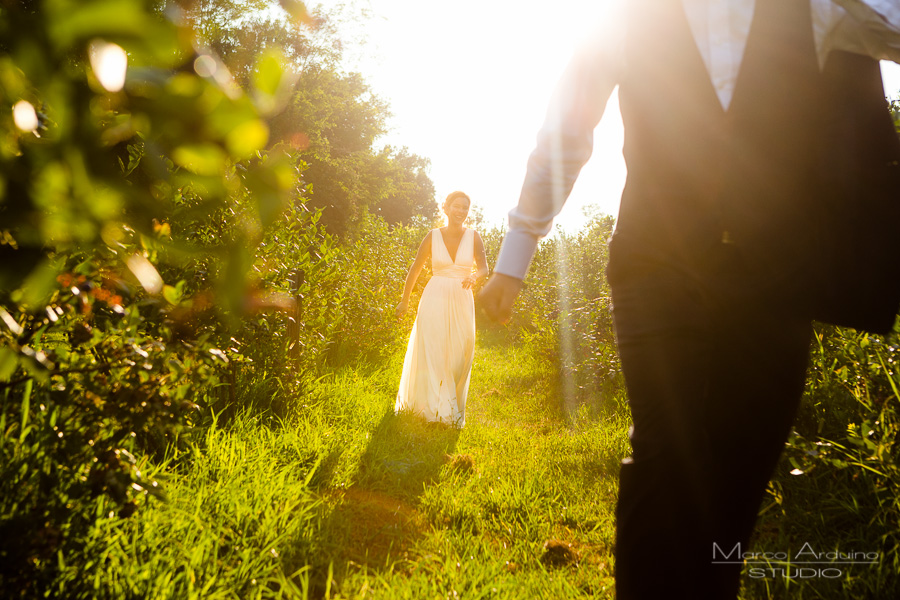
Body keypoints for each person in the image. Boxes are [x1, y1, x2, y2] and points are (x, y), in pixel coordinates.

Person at [479, 1, 900, 598]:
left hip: (777, 278)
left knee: (739, 474)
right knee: (666, 452)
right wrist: (515, 255)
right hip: (656, 263)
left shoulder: (819, 6)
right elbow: (566, 130)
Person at [395, 191, 489, 427]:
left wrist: (474, 276)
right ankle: (430, 409)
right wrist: (405, 300)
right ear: (445, 208)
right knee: (434, 350)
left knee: (460, 353)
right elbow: (415, 269)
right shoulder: (432, 236)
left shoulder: (475, 237)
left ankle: (450, 406)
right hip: (434, 296)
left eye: (465, 208)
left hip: (462, 298)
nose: (461, 211)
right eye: (456, 206)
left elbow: (484, 269)